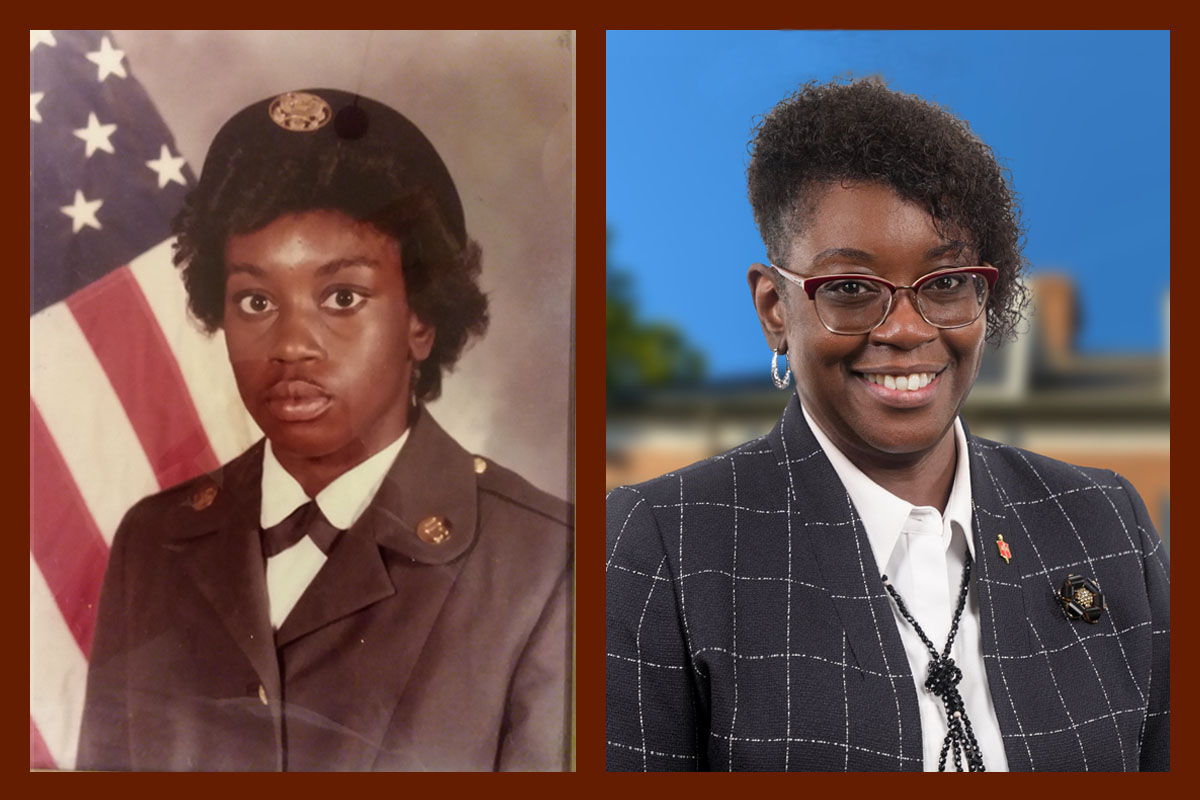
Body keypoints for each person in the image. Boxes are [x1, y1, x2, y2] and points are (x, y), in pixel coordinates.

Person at [605, 78, 1168, 772]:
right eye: (850, 290)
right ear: (774, 308)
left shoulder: (1104, 523)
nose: (905, 329)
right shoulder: (665, 544)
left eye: (946, 283)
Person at [77, 88, 573, 771]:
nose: (291, 345)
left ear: (421, 320)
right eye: (255, 300)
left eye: (342, 298)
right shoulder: (153, 544)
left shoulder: (547, 567)